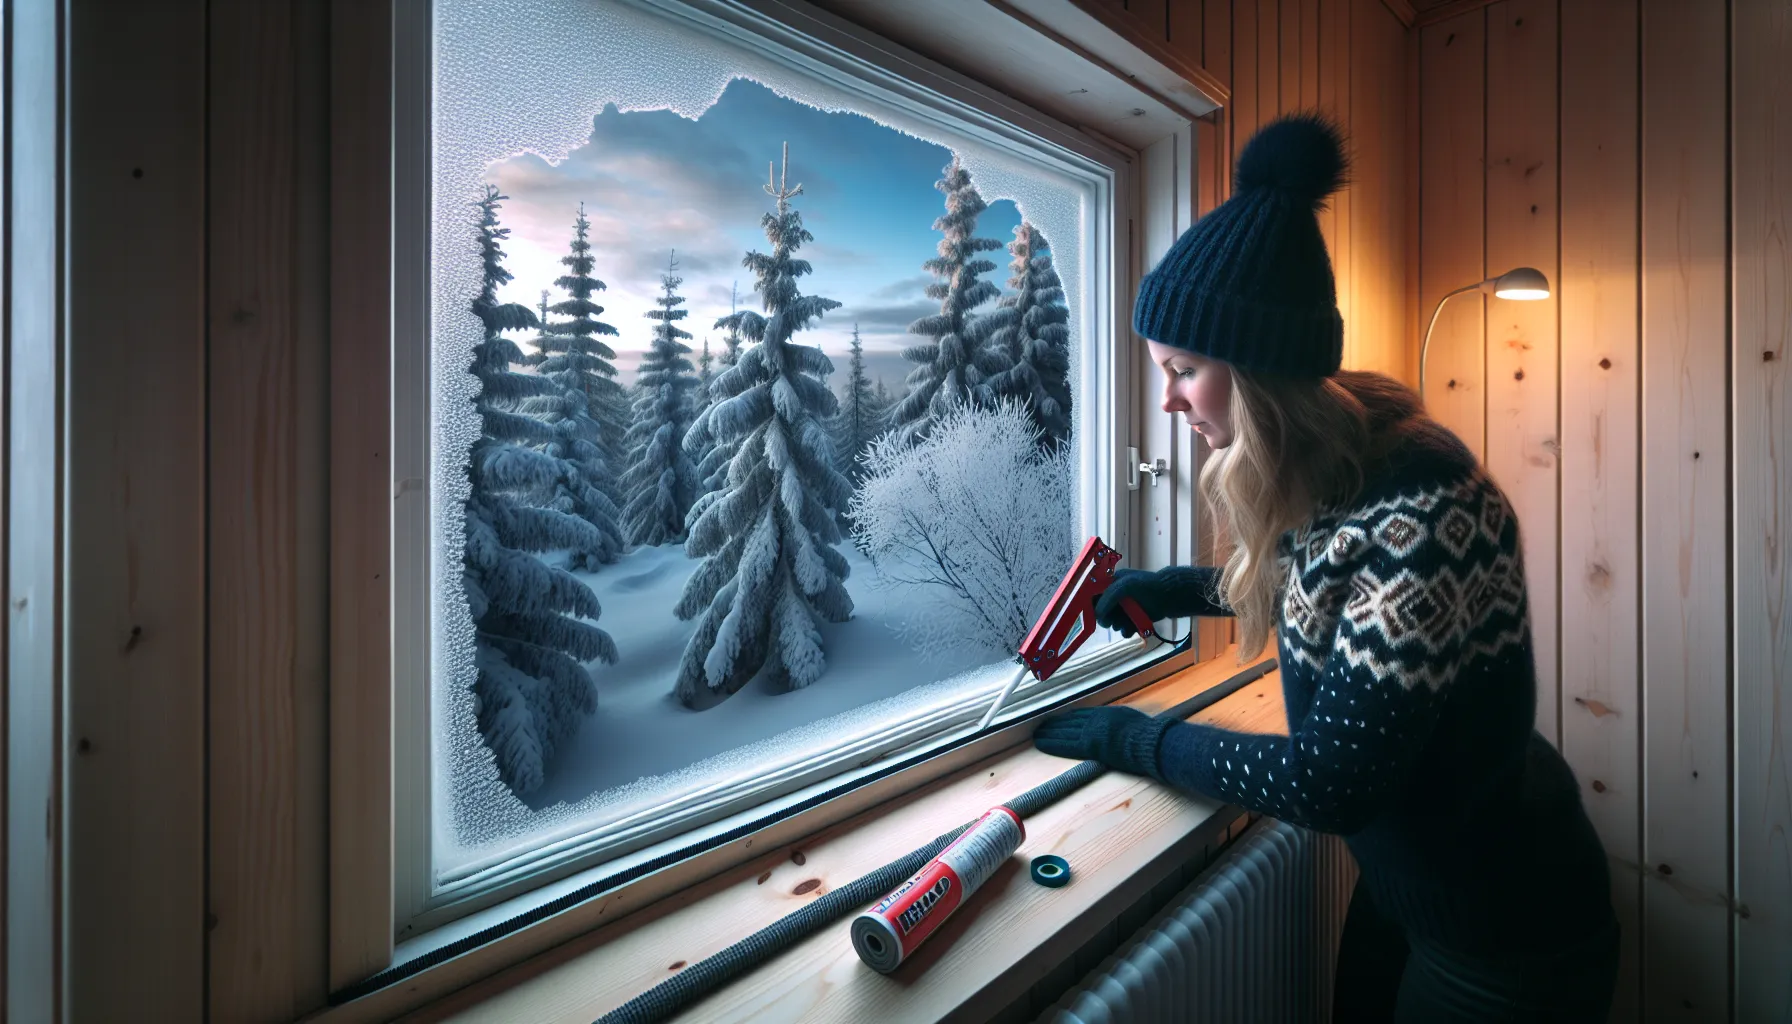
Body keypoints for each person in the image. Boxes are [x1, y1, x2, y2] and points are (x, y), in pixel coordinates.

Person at [1031, 113, 1619, 1023]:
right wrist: (1176, 588)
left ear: (1259, 372)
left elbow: (1327, 783)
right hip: (1412, 876)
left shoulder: (1420, 508)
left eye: (1184, 370)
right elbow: (1324, 579)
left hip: (1503, 930)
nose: (1168, 399)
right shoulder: (1345, 465)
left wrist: (1128, 738)